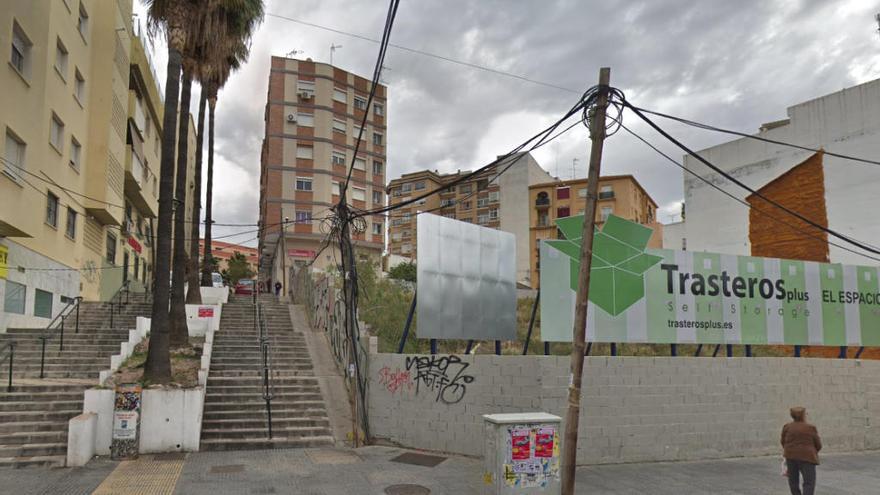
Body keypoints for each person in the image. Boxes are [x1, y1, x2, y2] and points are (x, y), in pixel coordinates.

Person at [781, 406, 822, 495]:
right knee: (809, 482)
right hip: (807, 457)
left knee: (793, 482)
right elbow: (818, 444)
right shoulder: (810, 428)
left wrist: (789, 450)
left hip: (791, 456)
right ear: (803, 415)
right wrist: (814, 451)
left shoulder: (787, 427)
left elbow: (783, 441)